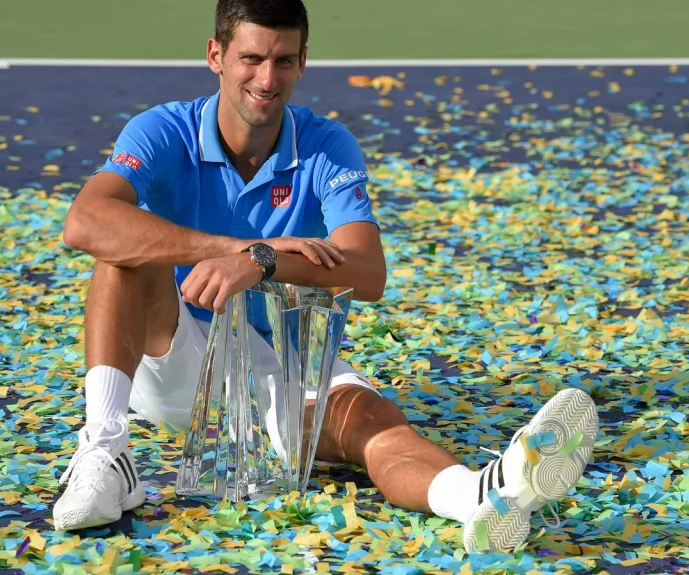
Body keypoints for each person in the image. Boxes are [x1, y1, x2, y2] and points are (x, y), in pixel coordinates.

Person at [53, 0, 600, 554]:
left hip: (286, 359)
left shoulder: (326, 146)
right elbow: (85, 222)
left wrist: (260, 262)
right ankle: (105, 452)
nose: (268, 80)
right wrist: (237, 248)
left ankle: (480, 495)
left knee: (374, 424)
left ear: (303, 62)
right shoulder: (162, 130)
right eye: (251, 58)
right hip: (176, 349)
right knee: (121, 250)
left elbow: (367, 273)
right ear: (215, 55)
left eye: (284, 61)